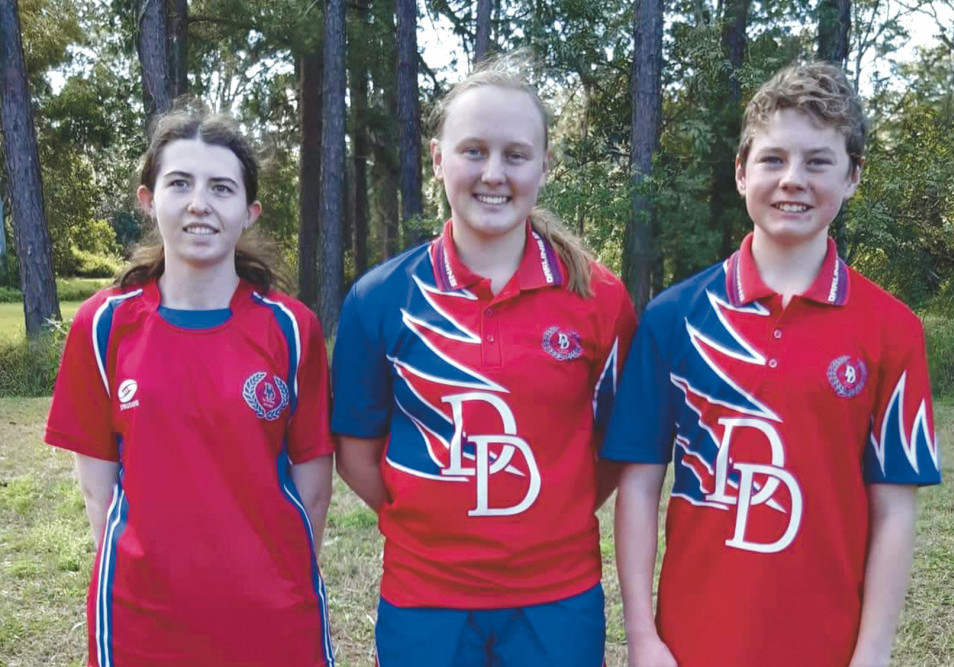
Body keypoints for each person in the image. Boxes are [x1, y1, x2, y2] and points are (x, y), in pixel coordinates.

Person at [602, 61, 941, 667]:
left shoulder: (893, 330)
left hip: (828, 645)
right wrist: (642, 637)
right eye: (773, 160)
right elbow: (640, 484)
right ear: (741, 172)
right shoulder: (672, 317)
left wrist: (873, 653)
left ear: (853, 176)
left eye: (818, 162)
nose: (793, 180)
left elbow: (894, 510)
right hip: (691, 641)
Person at [331, 55, 636, 667]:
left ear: (545, 166)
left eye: (515, 155)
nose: (493, 173)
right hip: (425, 597)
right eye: (473, 150)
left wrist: (548, 520)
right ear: (439, 156)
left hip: (557, 596)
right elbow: (355, 454)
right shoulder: (379, 298)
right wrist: (429, 526)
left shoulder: (600, 300)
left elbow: (615, 449)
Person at [45, 107, 336, 667]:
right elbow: (98, 494)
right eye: (180, 183)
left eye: (221, 187)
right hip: (141, 621)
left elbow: (314, 488)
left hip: (273, 617)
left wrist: (275, 579)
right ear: (148, 199)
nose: (199, 203)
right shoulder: (103, 324)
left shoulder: (292, 329)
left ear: (248, 212)